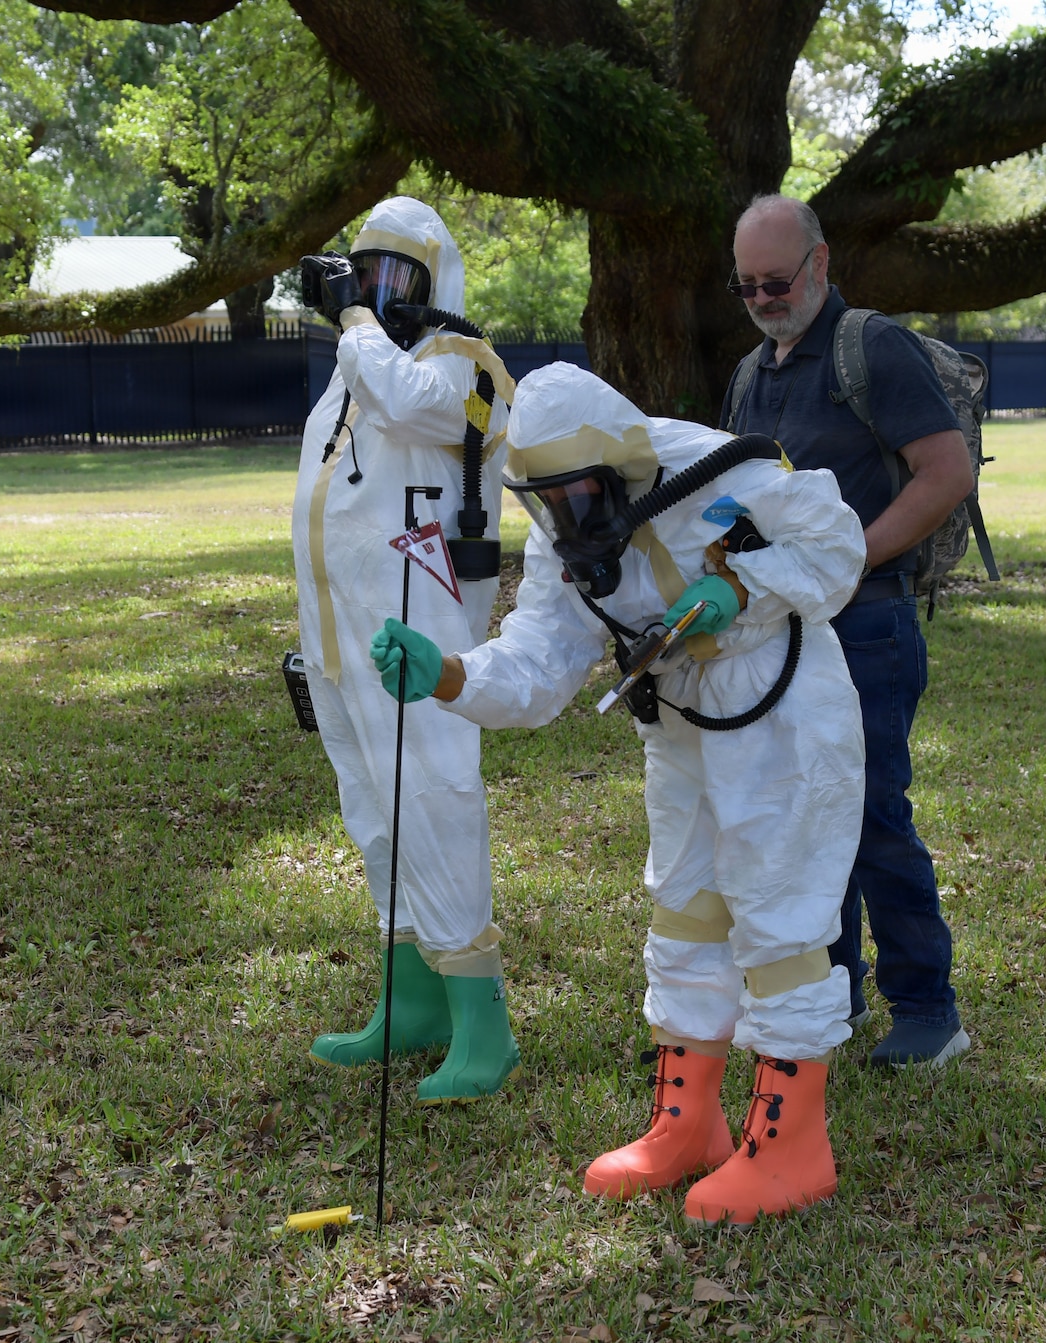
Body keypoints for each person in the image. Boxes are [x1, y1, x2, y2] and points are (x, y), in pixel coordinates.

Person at [370, 361, 867, 1226]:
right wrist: (449, 674)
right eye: (547, 499)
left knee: (779, 916)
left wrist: (743, 586)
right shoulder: (562, 538)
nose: (565, 515)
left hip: (781, 712)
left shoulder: (722, 468)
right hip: (679, 722)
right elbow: (536, 664)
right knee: (685, 905)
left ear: (625, 465)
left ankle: (793, 1146)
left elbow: (838, 546)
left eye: (580, 494)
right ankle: (689, 1121)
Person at [721, 193, 975, 1069]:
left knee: (869, 820)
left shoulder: (874, 347)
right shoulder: (752, 373)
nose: (763, 298)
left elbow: (945, 471)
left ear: (821, 264)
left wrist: (848, 559)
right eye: (747, 286)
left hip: (867, 623)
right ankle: (832, 996)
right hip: (783, 634)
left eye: (777, 280)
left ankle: (927, 1012)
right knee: (799, 822)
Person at [290, 196, 521, 1105]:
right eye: (364, 273)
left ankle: (483, 1026)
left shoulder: (467, 367)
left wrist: (354, 318)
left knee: (435, 801)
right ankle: (414, 999)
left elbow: (415, 403)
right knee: (374, 814)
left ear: (438, 282)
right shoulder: (353, 375)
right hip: (339, 640)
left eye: (398, 277)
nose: (379, 293)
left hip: (417, 641)